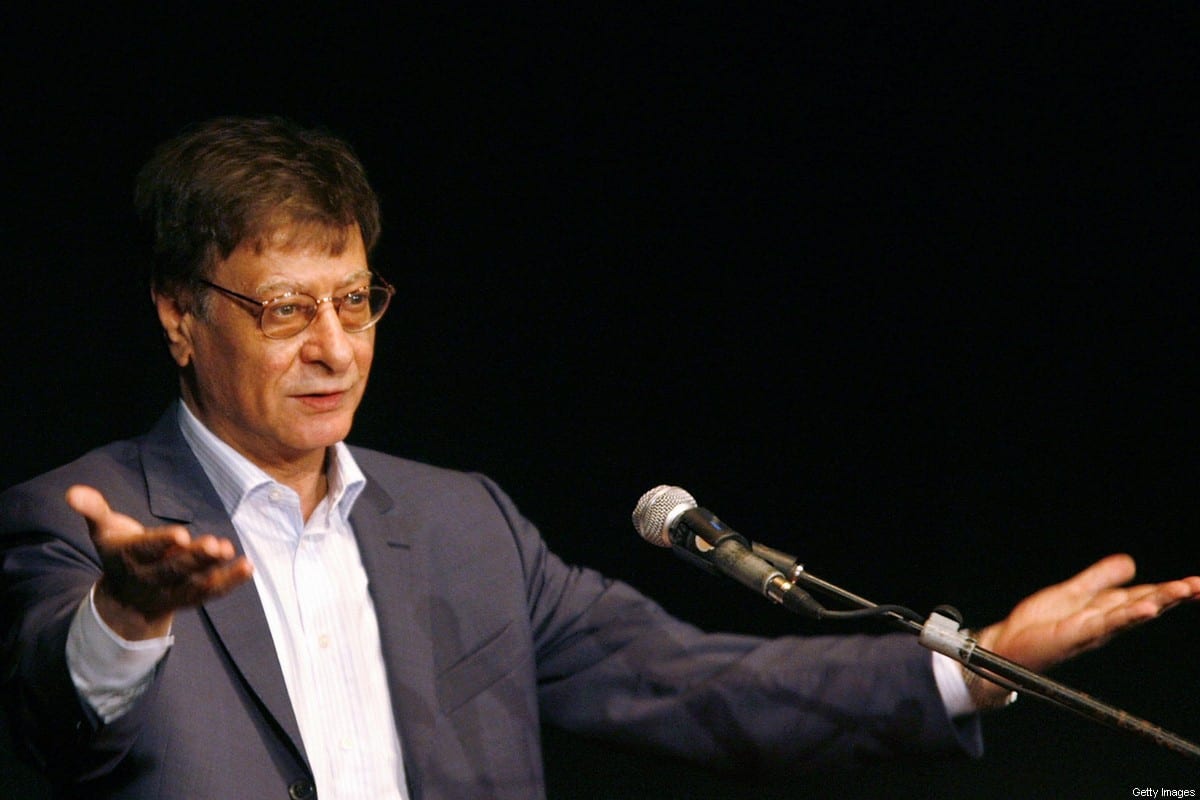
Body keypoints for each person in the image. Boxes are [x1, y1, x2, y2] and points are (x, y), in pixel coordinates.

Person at [1, 116, 1196, 800]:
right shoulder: (78, 518)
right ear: (176, 313)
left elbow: (697, 681)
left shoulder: (463, 523)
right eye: (283, 310)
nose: (334, 349)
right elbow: (66, 705)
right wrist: (130, 610)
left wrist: (975, 667)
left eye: (357, 302)